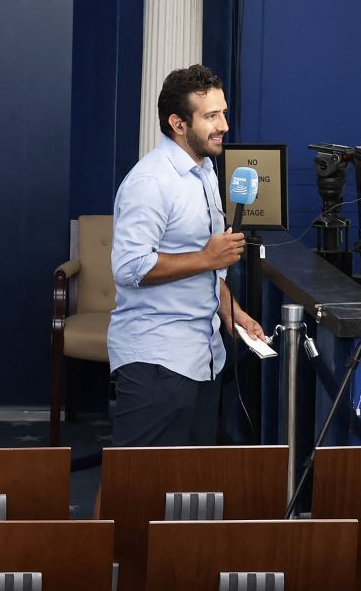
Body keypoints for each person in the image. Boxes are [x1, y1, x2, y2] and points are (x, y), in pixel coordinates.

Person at [107, 64, 266, 447]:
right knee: (130, 483)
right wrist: (208, 258)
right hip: (156, 361)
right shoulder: (151, 182)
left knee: (186, 484)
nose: (224, 125)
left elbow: (206, 270)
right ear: (178, 124)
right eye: (211, 116)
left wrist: (234, 313)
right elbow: (129, 268)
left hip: (204, 356)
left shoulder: (206, 171)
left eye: (223, 112)